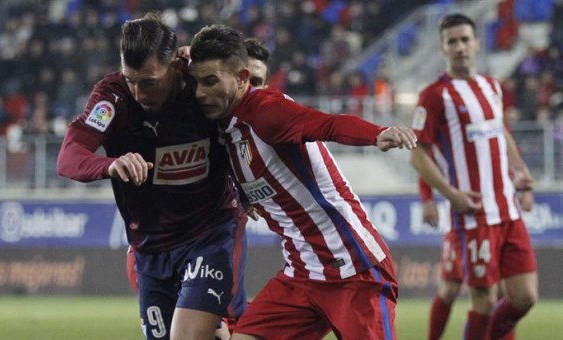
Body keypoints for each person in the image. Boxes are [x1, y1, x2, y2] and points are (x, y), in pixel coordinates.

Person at [188, 24, 417, 340]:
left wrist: (376, 134)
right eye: (195, 82)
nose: (200, 93)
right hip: (302, 275)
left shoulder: (267, 111)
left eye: (210, 82)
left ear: (241, 80)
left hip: (355, 271)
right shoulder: (224, 130)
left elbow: (326, 124)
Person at [57, 13, 248, 340]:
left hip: (208, 235)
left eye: (148, 81)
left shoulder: (199, 83)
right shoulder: (113, 97)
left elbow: (248, 94)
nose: (138, 92)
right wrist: (110, 165)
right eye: (131, 79)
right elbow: (69, 156)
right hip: (151, 250)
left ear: (175, 64)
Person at [123, 36, 273, 339]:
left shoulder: (264, 123)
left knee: (221, 327)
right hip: (156, 251)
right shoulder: (199, 109)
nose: (251, 89)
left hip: (210, 244)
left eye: (259, 82)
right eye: (248, 79)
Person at [410, 13, 538, 340]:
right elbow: (417, 153)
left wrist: (521, 174)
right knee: (482, 298)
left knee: (525, 297)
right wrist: (449, 195)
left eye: (465, 40)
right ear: (442, 48)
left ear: (477, 43)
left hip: (508, 209)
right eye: (452, 42)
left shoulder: (491, 86)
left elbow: (501, 132)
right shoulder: (435, 95)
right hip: (474, 214)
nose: (460, 47)